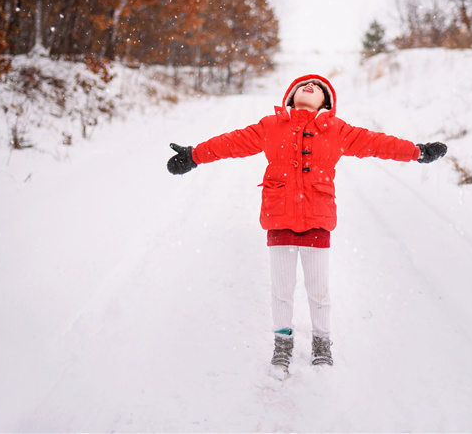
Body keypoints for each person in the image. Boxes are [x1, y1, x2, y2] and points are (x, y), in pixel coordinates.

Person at [167, 74, 447, 374]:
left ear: (326, 101)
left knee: (319, 290)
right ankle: (282, 343)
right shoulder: (271, 126)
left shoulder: (337, 130)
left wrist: (417, 151)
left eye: (317, 87)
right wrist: (194, 155)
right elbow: (232, 143)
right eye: (302, 85)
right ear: (291, 95)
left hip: (317, 219)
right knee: (281, 289)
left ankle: (321, 342)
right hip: (279, 218)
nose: (309, 86)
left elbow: (378, 143)